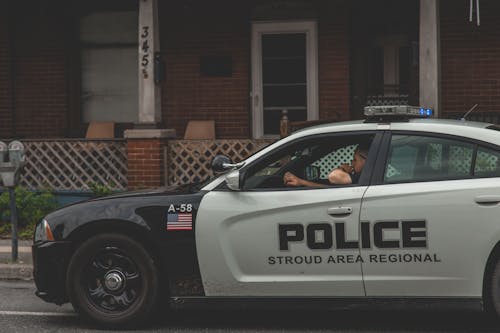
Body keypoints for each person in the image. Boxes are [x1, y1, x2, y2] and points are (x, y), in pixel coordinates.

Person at [283, 144, 369, 187]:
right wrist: (301, 182)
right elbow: (328, 188)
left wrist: (342, 168)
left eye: (355, 160)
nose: (352, 163)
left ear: (366, 160)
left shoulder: (363, 176)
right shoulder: (364, 178)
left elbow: (333, 176)